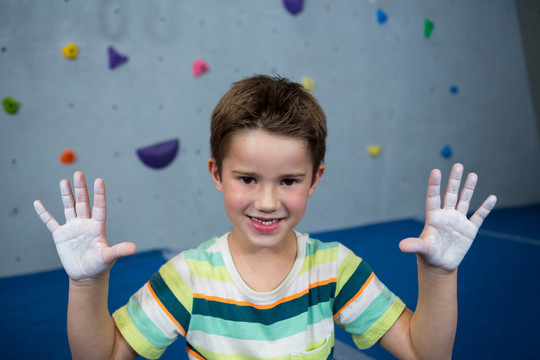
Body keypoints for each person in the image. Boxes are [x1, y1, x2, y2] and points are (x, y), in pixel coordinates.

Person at [33, 75, 497, 360]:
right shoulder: (190, 277)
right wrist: (86, 286)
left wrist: (439, 274)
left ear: (315, 179)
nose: (268, 202)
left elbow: (426, 353)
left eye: (289, 181)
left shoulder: (334, 270)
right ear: (217, 173)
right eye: (248, 179)